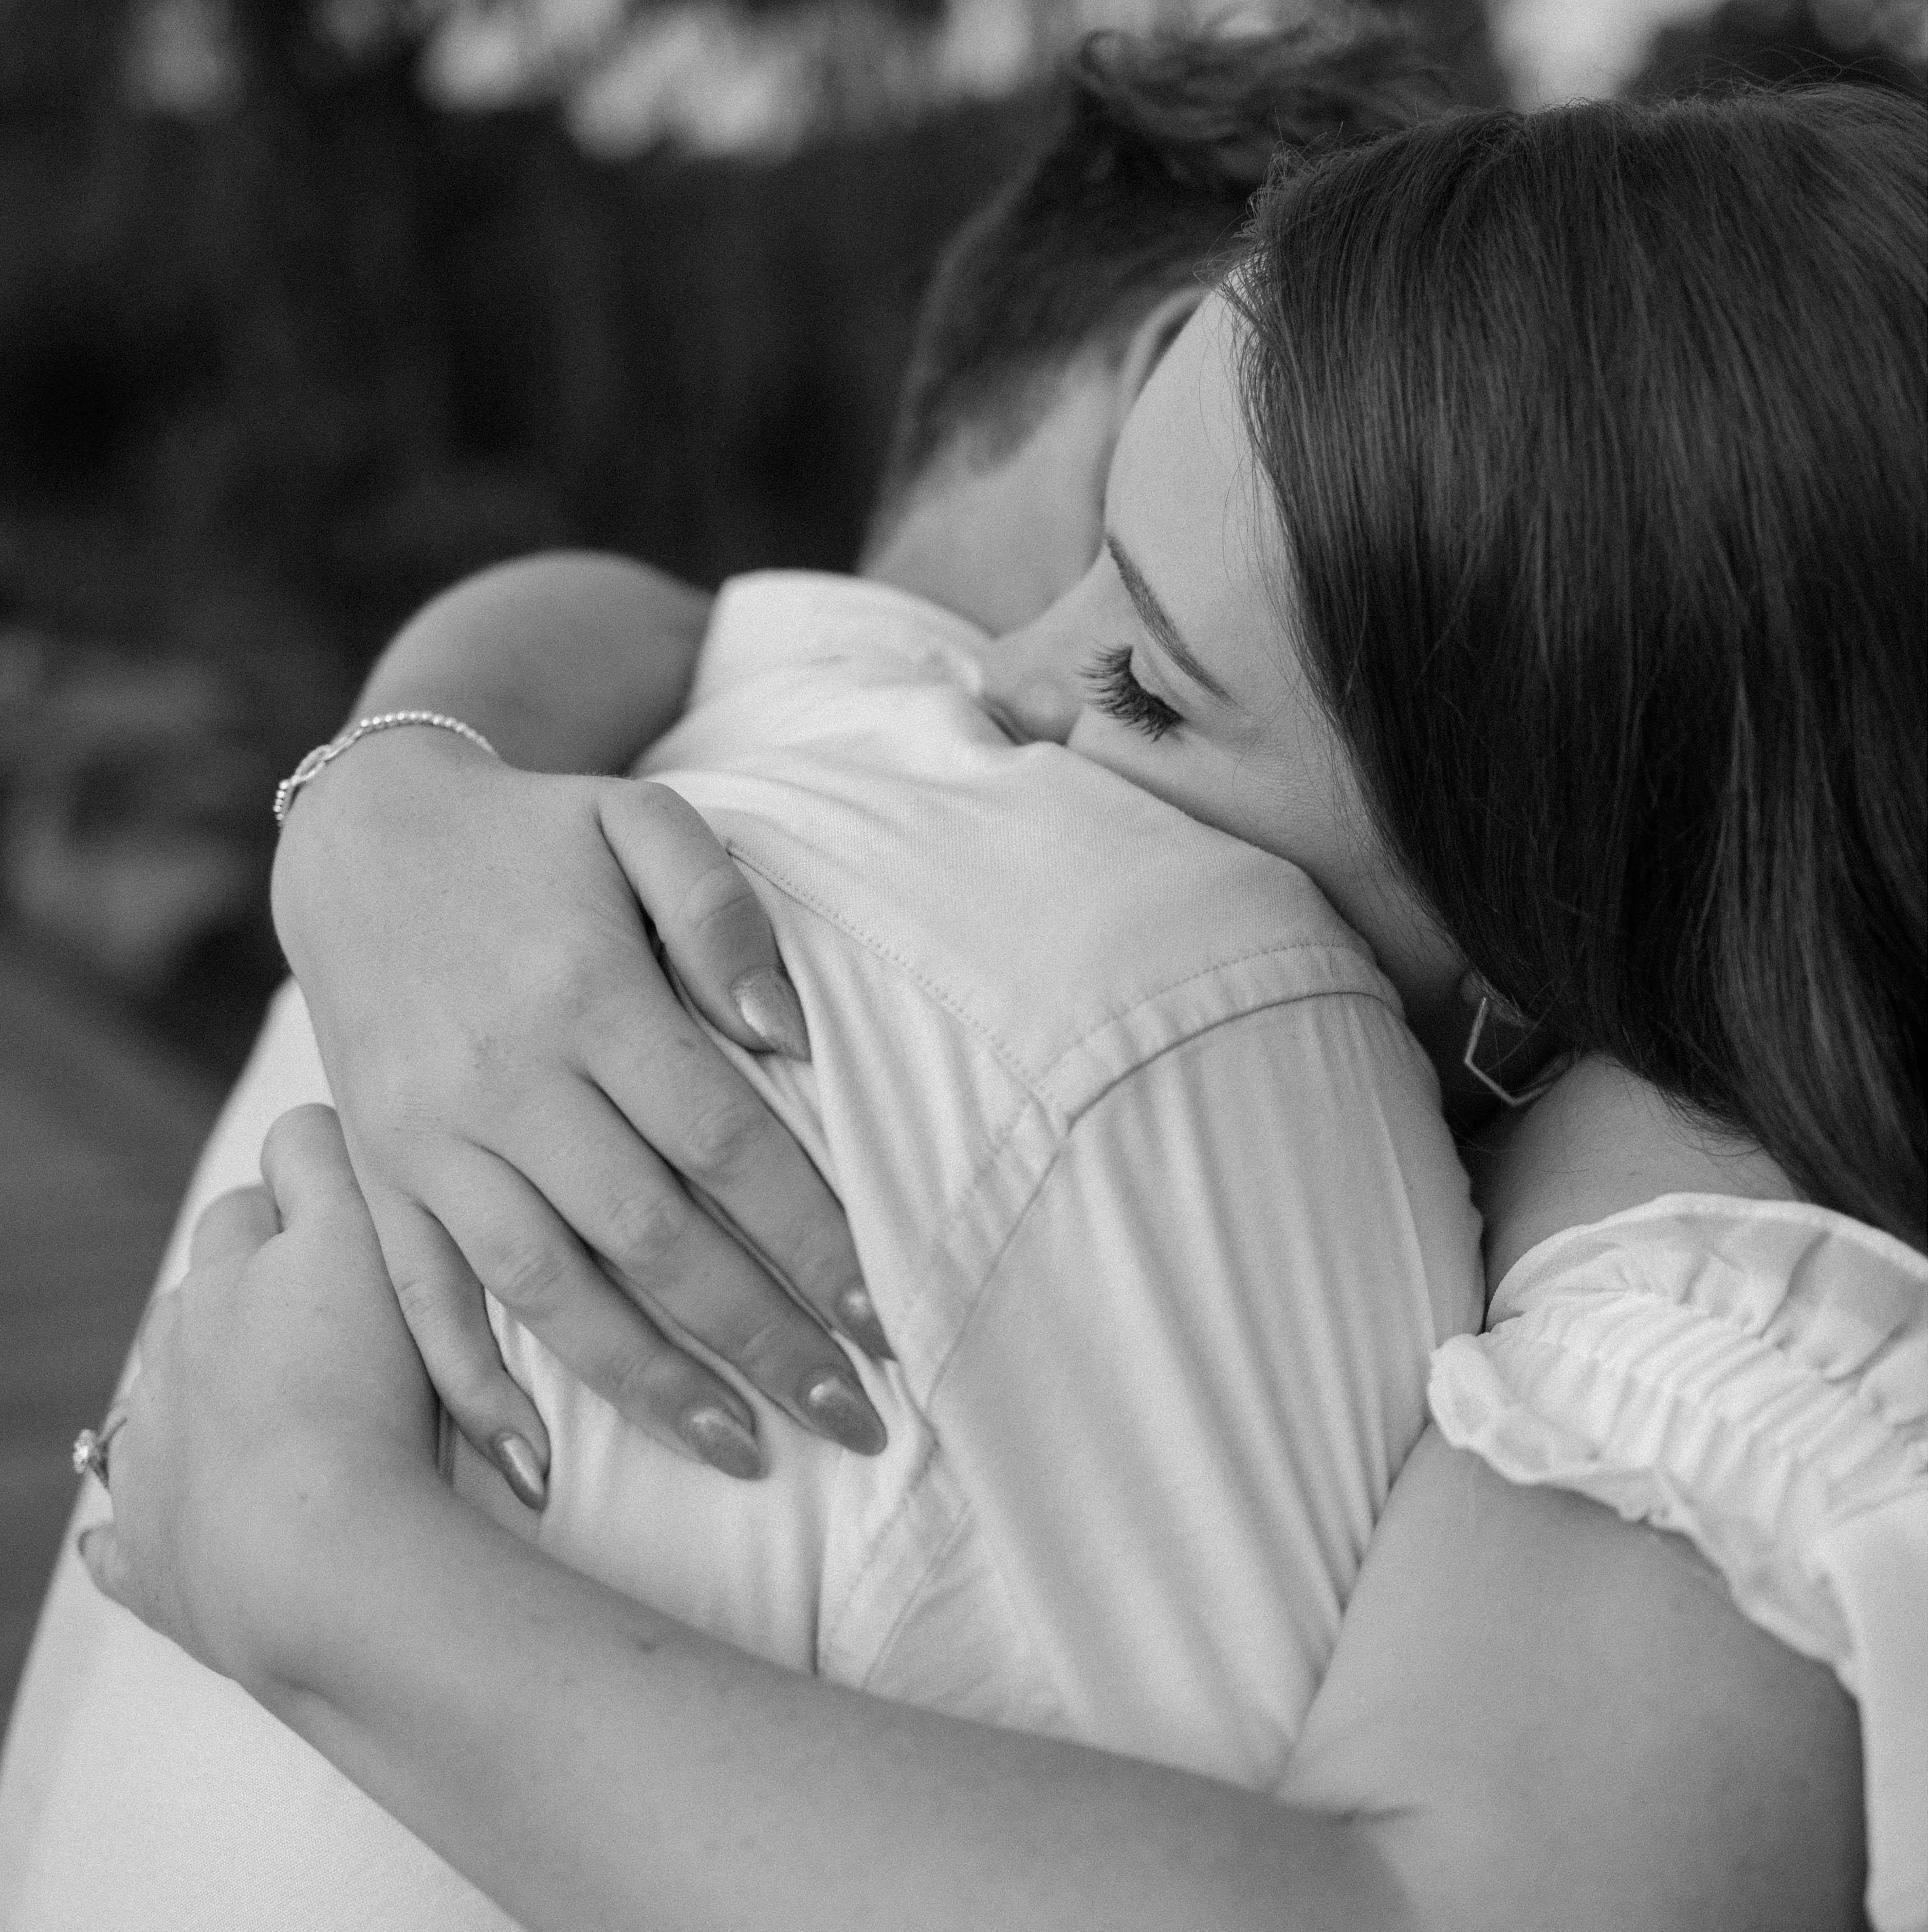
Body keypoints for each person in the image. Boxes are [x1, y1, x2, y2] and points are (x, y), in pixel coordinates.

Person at [77, 80, 1929, 1932]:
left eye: (1139, 680)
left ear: (1539, 857)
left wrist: (326, 1573)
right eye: (1075, 591)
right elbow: (683, 615)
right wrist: (382, 797)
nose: (1001, 688)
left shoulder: (1720, 1261)